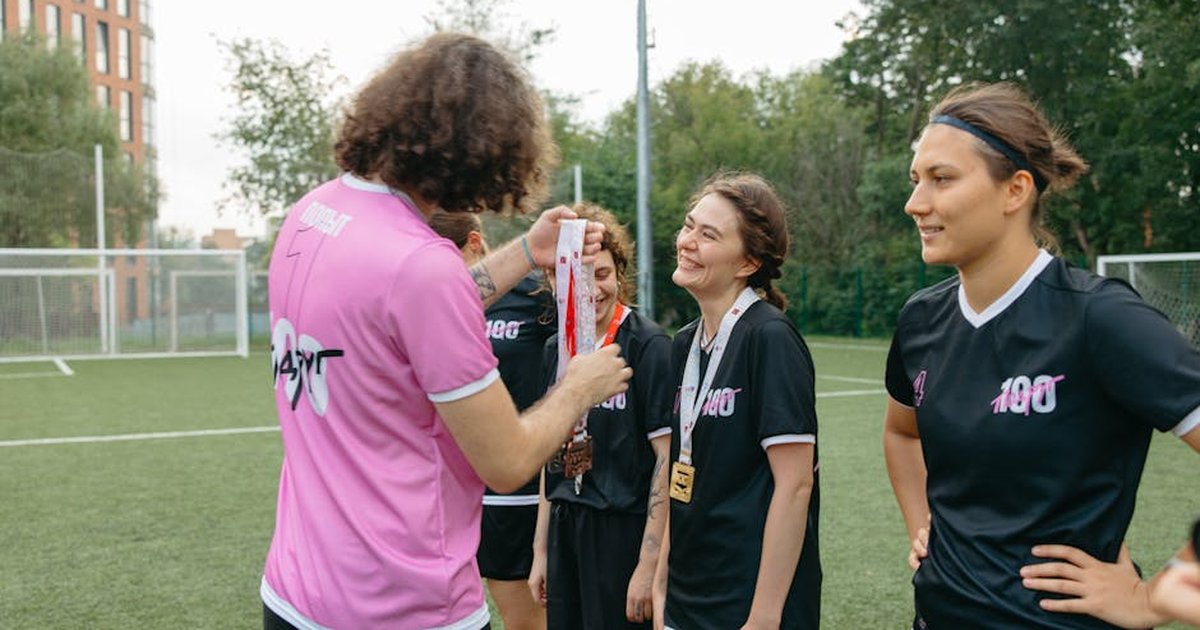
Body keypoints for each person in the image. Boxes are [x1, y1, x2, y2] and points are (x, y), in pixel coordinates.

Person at [262, 33, 631, 630]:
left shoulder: (313, 213)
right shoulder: (422, 266)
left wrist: (525, 252)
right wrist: (578, 387)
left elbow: (402, 314)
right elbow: (506, 462)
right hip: (402, 606)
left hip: (294, 594)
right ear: (484, 150)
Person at [883, 81, 1200, 629]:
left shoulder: (1100, 318)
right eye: (916, 181)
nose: (916, 204)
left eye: (942, 179)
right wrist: (922, 522)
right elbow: (902, 433)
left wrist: (1154, 596)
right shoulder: (920, 321)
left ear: (1015, 190)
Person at [652, 173, 821, 629]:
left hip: (747, 605)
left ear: (747, 262)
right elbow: (682, 469)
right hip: (689, 596)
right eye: (689, 226)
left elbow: (795, 486)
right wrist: (661, 579)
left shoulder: (769, 337)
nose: (687, 242)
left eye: (708, 235)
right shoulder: (684, 343)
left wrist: (764, 617)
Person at [526, 203, 673, 629]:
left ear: (620, 274)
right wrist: (541, 551)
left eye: (603, 273)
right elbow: (548, 452)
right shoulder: (557, 350)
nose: (591, 289)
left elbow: (667, 459)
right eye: (577, 275)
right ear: (555, 279)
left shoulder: (648, 346)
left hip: (621, 535)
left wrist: (647, 568)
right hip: (565, 527)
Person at [430, 210, 555, 630]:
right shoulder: (430, 301)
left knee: (524, 613)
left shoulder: (535, 294)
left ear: (475, 242)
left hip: (516, 487)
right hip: (455, 486)